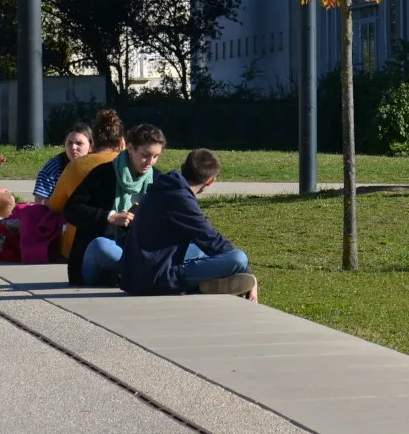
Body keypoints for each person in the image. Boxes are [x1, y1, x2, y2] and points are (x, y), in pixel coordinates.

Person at [120, 148, 258, 300]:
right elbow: (211, 240)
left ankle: (208, 283)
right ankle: (199, 283)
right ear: (211, 181)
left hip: (137, 272)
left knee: (200, 251)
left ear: (182, 167)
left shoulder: (165, 186)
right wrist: (247, 272)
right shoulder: (180, 198)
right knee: (238, 258)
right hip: (155, 279)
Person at [63, 123, 165, 287]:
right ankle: (146, 272)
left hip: (137, 251)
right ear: (130, 149)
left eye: (156, 156)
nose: (150, 162)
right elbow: (71, 210)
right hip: (100, 256)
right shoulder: (103, 174)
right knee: (101, 246)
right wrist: (110, 217)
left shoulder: (158, 180)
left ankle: (141, 270)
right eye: (145, 155)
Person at [47, 109, 124, 262]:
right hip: (122, 242)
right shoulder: (129, 167)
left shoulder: (75, 166)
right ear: (122, 142)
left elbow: (55, 205)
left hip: (78, 248)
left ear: (93, 141)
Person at [33, 122, 93, 204]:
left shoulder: (98, 165)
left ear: (90, 147)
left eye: (79, 143)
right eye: (69, 143)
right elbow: (40, 202)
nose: (73, 147)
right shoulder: (54, 166)